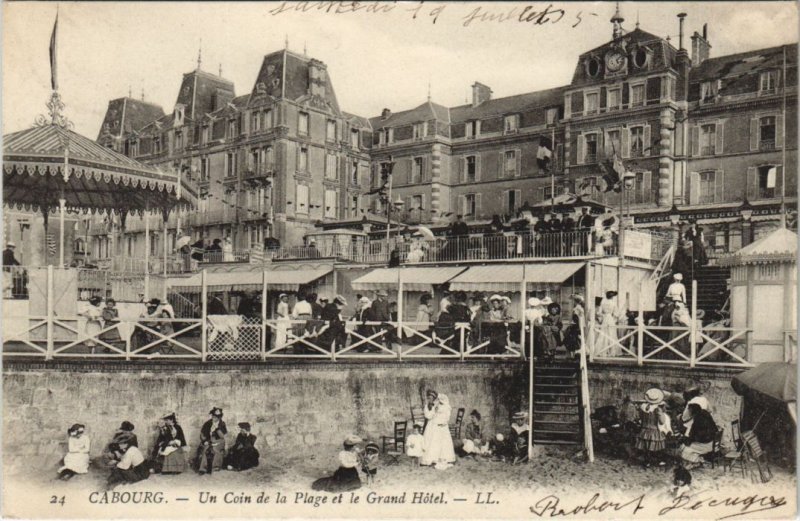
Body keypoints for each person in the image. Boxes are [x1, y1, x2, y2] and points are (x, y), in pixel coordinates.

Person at [420, 393, 456, 469]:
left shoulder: (440, 405)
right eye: (428, 398)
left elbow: (445, 414)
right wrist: (434, 410)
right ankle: (431, 459)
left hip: (438, 425)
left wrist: (443, 421)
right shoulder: (428, 406)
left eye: (431, 398)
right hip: (431, 425)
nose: (429, 400)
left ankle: (443, 458)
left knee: (441, 442)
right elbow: (428, 416)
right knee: (432, 441)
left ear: (434, 399)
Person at [635, 388, 668, 467]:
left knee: (646, 446)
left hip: (644, 429)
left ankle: (647, 462)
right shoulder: (658, 409)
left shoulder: (643, 407)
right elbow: (662, 421)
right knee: (656, 445)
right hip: (654, 429)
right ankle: (659, 461)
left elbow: (640, 418)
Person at [679, 403, 717, 469]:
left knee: (683, 449)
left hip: (706, 445)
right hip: (712, 441)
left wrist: (685, 439)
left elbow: (696, 436)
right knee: (686, 445)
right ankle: (696, 460)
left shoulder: (698, 419)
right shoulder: (704, 413)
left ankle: (697, 461)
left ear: (693, 411)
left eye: (689, 410)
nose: (688, 411)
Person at [196, 407, 227, 475]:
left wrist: (217, 428)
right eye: (213, 416)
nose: (214, 418)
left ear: (219, 417)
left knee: (216, 450)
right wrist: (204, 440)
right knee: (206, 448)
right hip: (209, 440)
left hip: (219, 441)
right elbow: (202, 434)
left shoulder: (222, 424)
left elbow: (222, 436)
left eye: (216, 417)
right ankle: (203, 469)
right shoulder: (208, 423)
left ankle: (215, 468)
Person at [598, 291, 621, 356]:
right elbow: (617, 313)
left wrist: (603, 316)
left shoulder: (603, 303)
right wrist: (613, 318)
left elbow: (599, 313)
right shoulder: (613, 303)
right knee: (612, 333)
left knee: (603, 333)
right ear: (612, 297)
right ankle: (612, 351)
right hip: (610, 319)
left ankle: (603, 350)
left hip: (605, 319)